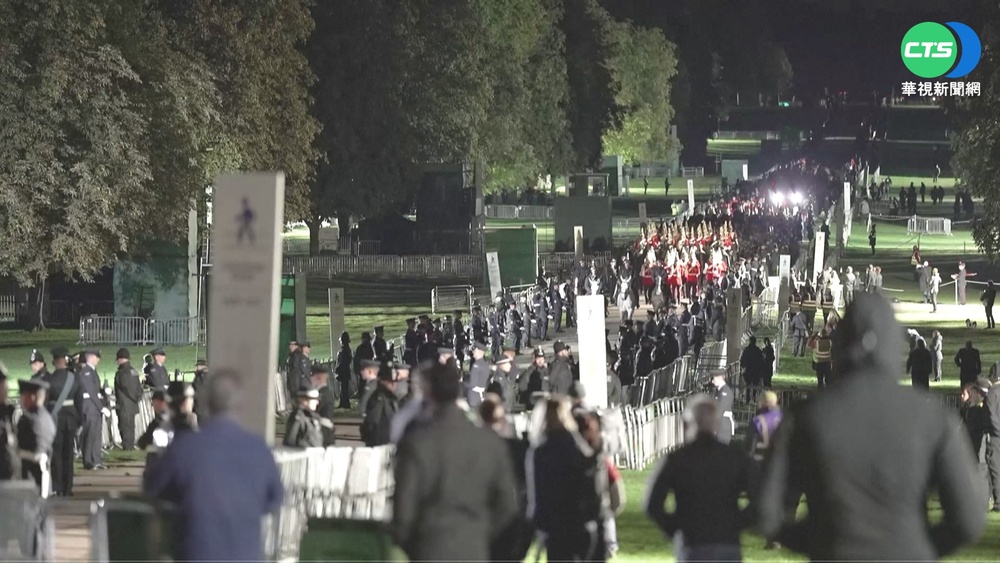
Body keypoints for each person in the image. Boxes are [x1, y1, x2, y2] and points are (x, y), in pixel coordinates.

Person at [758, 293, 986, 560]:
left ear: (841, 343)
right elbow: (969, 519)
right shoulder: (932, 418)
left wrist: (819, 540)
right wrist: (916, 545)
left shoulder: (805, 417)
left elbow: (767, 512)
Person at [144, 370, 284, 561]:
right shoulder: (258, 448)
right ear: (240, 404)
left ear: (206, 402)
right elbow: (275, 499)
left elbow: (153, 488)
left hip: (195, 552)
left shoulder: (185, 447)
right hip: (246, 553)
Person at [391, 361, 519, 561]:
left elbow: (402, 513)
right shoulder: (488, 442)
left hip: (430, 548)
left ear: (428, 392)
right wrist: (481, 533)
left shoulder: (416, 443)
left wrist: (416, 545)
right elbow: (508, 504)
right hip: (473, 546)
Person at [645, 396, 751, 562]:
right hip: (727, 541)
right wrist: (736, 523)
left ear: (688, 423)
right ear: (716, 423)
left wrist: (674, 527)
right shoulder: (735, 457)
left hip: (692, 542)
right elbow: (760, 498)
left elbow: (652, 503)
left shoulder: (677, 458)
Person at [527, 397, 606, 562]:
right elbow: (588, 472)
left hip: (555, 523)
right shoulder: (573, 443)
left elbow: (538, 490)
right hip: (579, 519)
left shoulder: (540, 450)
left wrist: (538, 522)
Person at [42, 347, 78, 496]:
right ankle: (68, 487)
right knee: (68, 454)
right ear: (66, 361)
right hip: (70, 418)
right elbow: (79, 400)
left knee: (56, 455)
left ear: (54, 362)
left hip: (55, 419)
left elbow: (44, 402)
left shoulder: (48, 379)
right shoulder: (74, 378)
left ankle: (58, 487)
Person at [16, 377, 56, 493]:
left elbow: (35, 453)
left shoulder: (30, 419)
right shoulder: (45, 416)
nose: (21, 399)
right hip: (39, 475)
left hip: (31, 478)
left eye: (23, 396)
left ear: (32, 397)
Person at [77, 349, 108, 470]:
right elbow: (90, 391)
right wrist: (102, 407)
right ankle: (88, 461)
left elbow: (96, 391)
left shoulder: (92, 371)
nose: (98, 359)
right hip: (89, 407)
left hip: (94, 406)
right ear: (90, 357)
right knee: (89, 435)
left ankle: (96, 460)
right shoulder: (87, 372)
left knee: (96, 434)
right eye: (96, 357)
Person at [113, 348, 142, 450]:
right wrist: (137, 398)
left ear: (121, 359)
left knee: (124, 426)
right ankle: (130, 445)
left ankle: (127, 447)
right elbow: (139, 387)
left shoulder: (121, 373)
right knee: (131, 426)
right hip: (133, 405)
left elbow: (125, 387)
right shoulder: (134, 371)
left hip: (124, 405)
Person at [362, 369, 398, 447]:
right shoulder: (378, 398)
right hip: (380, 443)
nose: (393, 385)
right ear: (382, 381)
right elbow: (372, 421)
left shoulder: (390, 397)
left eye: (395, 382)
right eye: (390, 382)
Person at [282, 384, 323, 448]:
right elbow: (290, 442)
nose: (317, 402)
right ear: (304, 400)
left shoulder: (314, 417)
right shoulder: (298, 419)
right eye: (314, 399)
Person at [310, 366, 336, 446]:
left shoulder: (323, 394)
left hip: (323, 432)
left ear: (318, 378)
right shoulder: (323, 392)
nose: (310, 380)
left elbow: (314, 410)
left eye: (312, 377)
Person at [987, 371, 1000, 511]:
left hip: (996, 436)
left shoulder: (993, 392)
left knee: (995, 469)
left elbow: (991, 415)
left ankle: (998, 502)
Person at [710, 370, 734, 445]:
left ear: (720, 378)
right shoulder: (719, 391)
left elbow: (720, 409)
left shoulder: (725, 392)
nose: (713, 381)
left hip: (723, 425)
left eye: (714, 379)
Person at [466, 342, 490, 408]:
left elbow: (472, 383)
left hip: (474, 397)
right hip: (482, 395)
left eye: (474, 350)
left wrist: (463, 384)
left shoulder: (476, 365)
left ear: (478, 351)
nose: (473, 352)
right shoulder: (485, 365)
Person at [334, 332, 353, 409]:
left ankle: (345, 403)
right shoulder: (348, 349)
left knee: (343, 388)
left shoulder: (343, 350)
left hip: (343, 372)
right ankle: (344, 403)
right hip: (346, 372)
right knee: (344, 388)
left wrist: (337, 369)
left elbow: (342, 362)